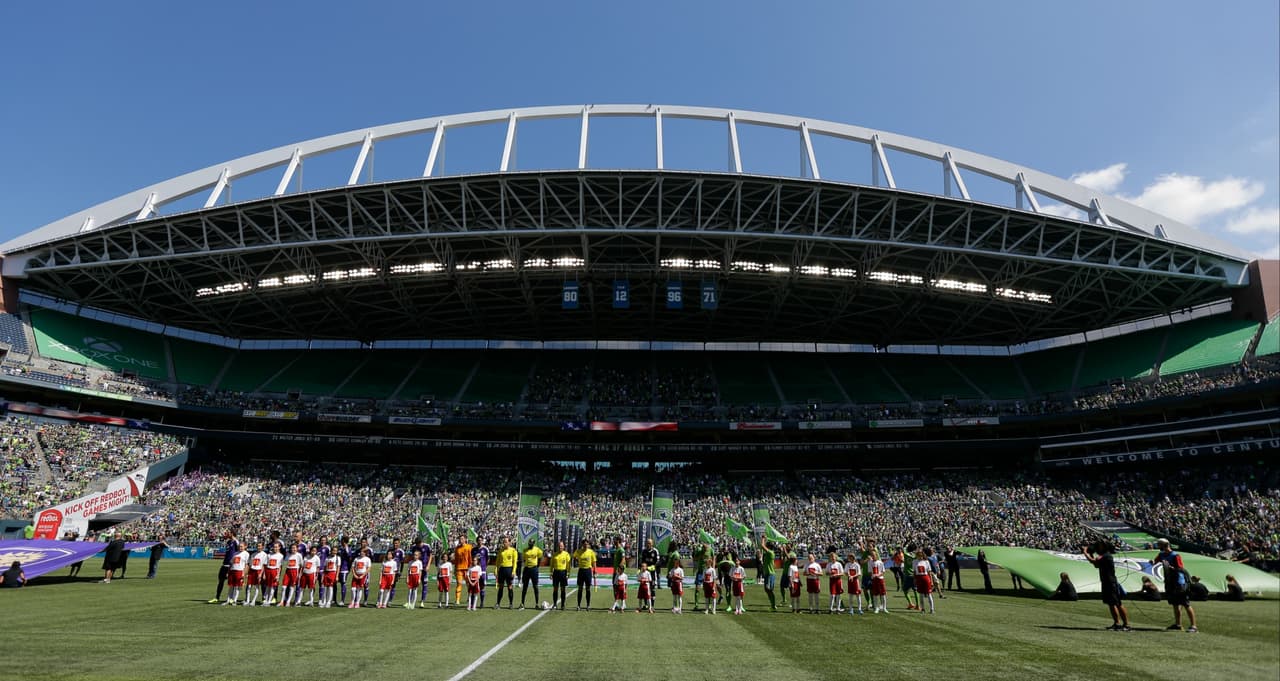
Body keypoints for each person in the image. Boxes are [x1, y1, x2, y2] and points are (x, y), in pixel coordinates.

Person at [1083, 540, 1130, 631]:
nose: (1098, 547)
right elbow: (1096, 564)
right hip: (1106, 582)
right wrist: (1090, 553)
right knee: (1111, 603)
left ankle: (1126, 624)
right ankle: (1117, 623)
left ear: (1105, 546)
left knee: (1117, 603)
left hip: (1110, 582)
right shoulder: (1103, 556)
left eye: (1100, 546)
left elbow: (1093, 561)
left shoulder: (1107, 555)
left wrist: (1085, 552)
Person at [1152, 538, 1197, 632]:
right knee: (1175, 603)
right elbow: (1155, 561)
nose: (1158, 547)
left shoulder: (1175, 555)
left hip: (1179, 582)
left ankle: (1193, 626)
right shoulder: (1161, 554)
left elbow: (1181, 568)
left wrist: (1171, 567)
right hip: (1170, 582)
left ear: (1165, 545)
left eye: (1159, 545)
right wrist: (1152, 562)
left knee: (1186, 603)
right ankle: (1178, 624)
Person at [209, 531, 239, 603]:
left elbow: (238, 552)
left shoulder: (236, 542)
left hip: (230, 565)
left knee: (232, 583)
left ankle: (232, 598)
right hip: (224, 564)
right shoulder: (228, 542)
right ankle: (217, 597)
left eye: (228, 533)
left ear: (232, 534)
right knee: (220, 581)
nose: (227, 534)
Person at [519, 538, 544, 610]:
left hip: (534, 569)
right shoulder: (525, 550)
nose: (530, 545)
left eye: (531, 544)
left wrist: (537, 566)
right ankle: (522, 603)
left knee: (535, 586)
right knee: (525, 587)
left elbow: (540, 557)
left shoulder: (537, 549)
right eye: (529, 543)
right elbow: (524, 559)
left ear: (533, 544)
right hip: (527, 569)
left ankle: (536, 604)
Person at [573, 539, 596, 611]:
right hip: (581, 571)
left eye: (587, 544)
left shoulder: (591, 552)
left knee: (588, 589)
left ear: (588, 545)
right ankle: (578, 605)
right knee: (580, 589)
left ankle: (588, 605)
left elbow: (594, 562)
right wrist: (576, 561)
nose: (586, 545)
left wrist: (595, 571)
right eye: (584, 544)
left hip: (588, 571)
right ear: (582, 545)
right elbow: (574, 556)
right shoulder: (578, 551)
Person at [495, 536, 518, 609]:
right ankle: (498, 604)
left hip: (509, 570)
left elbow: (515, 563)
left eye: (506, 541)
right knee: (500, 588)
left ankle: (511, 604)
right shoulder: (500, 551)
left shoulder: (513, 551)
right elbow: (497, 562)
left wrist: (514, 571)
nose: (504, 543)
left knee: (510, 587)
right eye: (503, 542)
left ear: (509, 542)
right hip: (502, 570)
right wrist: (496, 570)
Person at [550, 540, 571, 611]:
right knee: (555, 589)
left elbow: (568, 565)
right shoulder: (554, 554)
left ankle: (562, 605)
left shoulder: (566, 554)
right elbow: (551, 565)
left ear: (563, 546)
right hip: (556, 572)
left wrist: (568, 573)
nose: (560, 547)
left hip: (563, 573)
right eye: (559, 546)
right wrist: (551, 573)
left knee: (563, 589)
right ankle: (555, 604)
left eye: (561, 546)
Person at [913, 549, 936, 614]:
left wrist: (931, 581)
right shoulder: (914, 561)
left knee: (929, 594)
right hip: (919, 578)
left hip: (925, 578)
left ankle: (932, 609)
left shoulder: (926, 562)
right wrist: (914, 580)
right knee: (921, 595)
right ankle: (923, 609)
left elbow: (929, 572)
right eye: (918, 555)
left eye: (921, 555)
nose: (920, 557)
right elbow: (914, 572)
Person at [758, 537, 778, 611]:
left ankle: (773, 604)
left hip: (770, 573)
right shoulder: (769, 553)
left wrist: (763, 538)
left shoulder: (770, 552)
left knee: (768, 589)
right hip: (768, 573)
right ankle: (773, 605)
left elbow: (762, 546)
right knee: (767, 590)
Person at [453, 534, 472, 606]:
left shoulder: (469, 547)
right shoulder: (457, 548)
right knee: (459, 583)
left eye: (462, 539)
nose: (461, 540)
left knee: (468, 584)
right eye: (460, 539)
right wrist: (455, 568)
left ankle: (469, 597)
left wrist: (470, 567)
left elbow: (470, 558)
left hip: (467, 568)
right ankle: (457, 600)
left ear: (465, 539)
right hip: (459, 569)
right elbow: (456, 560)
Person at [869, 549, 888, 613]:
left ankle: (884, 608)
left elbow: (883, 571)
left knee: (883, 594)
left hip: (880, 579)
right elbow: (870, 571)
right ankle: (876, 608)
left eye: (874, 555)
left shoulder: (880, 562)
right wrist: (873, 575)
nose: (873, 556)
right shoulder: (870, 562)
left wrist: (878, 575)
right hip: (874, 579)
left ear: (876, 555)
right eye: (872, 555)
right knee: (875, 594)